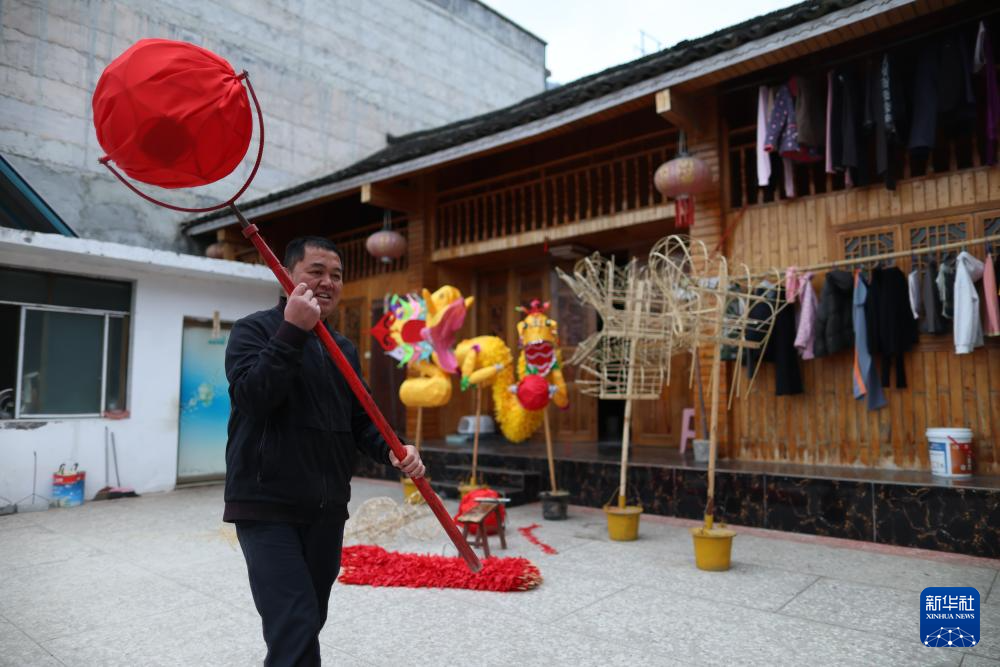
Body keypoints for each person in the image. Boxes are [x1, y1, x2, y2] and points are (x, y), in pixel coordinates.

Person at [223, 235, 424, 666]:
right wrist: (292, 331)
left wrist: (393, 449)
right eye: (316, 271)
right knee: (295, 625)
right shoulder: (253, 330)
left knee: (307, 621)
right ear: (286, 275)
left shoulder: (343, 348)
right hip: (266, 506)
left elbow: (361, 421)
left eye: (336, 275)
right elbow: (253, 398)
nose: (328, 282)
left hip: (326, 510)